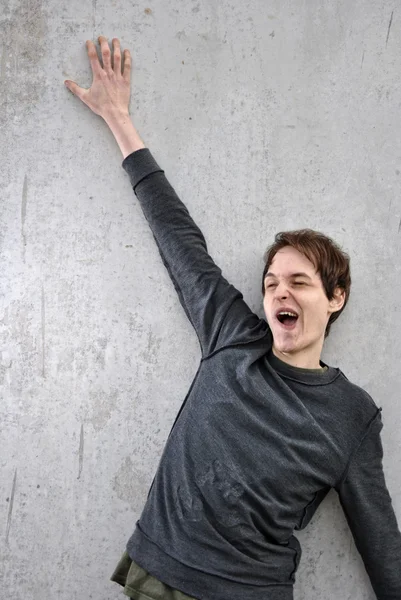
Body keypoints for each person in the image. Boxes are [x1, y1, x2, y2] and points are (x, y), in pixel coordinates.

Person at [64, 36, 401, 600]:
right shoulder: (230, 334)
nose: (278, 293)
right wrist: (120, 120)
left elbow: (381, 543)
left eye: (298, 282)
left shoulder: (352, 415)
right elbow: (178, 236)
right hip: (158, 575)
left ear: (335, 297)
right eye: (271, 283)